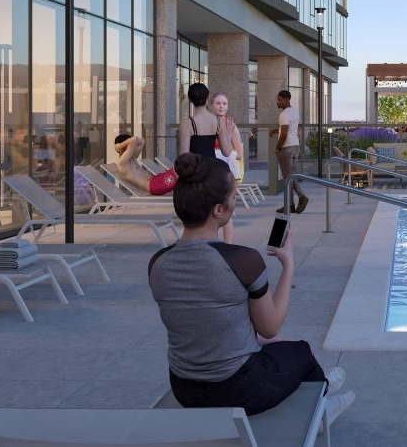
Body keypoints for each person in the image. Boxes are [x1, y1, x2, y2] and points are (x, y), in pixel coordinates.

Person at [148, 153, 355, 420]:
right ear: (218, 210)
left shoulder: (158, 263)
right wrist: (288, 265)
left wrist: (253, 340)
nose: (235, 202)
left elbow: (199, 319)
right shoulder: (241, 260)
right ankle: (322, 407)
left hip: (184, 388)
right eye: (233, 197)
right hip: (238, 389)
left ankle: (320, 389)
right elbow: (270, 326)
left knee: (275, 348)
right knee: (301, 352)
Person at [268, 90, 308, 214]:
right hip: (295, 146)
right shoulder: (295, 111)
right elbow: (289, 129)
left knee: (288, 178)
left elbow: (284, 134)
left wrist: (277, 147)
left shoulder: (284, 114)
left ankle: (300, 198)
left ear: (286, 100)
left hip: (286, 148)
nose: (277, 102)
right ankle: (291, 205)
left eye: (279, 99)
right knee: (290, 176)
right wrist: (276, 130)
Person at [178, 82, 236, 164]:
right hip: (213, 167)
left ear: (190, 100)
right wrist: (229, 134)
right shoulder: (218, 121)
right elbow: (226, 153)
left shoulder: (187, 124)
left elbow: (184, 156)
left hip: (195, 169)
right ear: (207, 99)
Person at [210, 92, 246, 180]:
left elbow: (239, 155)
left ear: (227, 107)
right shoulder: (207, 124)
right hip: (209, 168)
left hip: (225, 171)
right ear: (211, 105)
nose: (221, 106)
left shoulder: (231, 126)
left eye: (224, 104)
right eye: (218, 103)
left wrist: (217, 155)